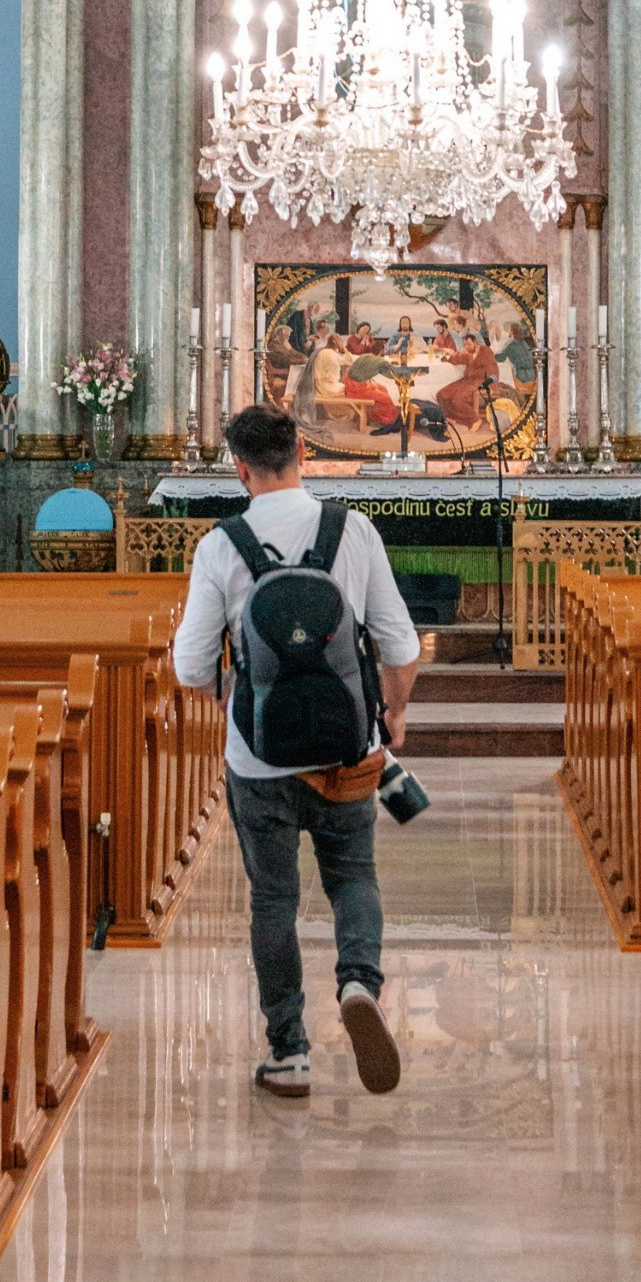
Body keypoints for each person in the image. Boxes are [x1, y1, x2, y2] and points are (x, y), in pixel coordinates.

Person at [173, 403, 420, 1101]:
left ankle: (289, 1053)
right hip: (349, 747)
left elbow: (190, 665)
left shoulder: (222, 545)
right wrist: (393, 714)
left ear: (239, 468)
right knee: (352, 875)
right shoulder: (353, 530)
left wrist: (230, 697)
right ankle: (357, 982)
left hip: (258, 756)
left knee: (273, 898)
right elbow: (399, 644)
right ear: (303, 458)